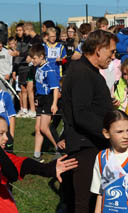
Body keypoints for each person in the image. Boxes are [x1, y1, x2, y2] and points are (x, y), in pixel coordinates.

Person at [0, 112, 78, 213]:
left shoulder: (0, 156)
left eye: (6, 133)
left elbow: (22, 163)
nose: (6, 138)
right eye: (1, 133)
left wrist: (48, 169)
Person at [62, 30, 118, 212]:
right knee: (84, 202)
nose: (113, 56)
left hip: (91, 144)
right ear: (98, 49)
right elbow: (82, 114)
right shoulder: (82, 72)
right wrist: (109, 133)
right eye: (111, 51)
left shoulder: (88, 70)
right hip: (85, 147)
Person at [90, 110, 128, 212]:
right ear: (106, 133)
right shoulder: (101, 157)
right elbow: (100, 193)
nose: (126, 136)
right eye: (120, 132)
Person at [29, 44, 60, 162]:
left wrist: (54, 104)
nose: (33, 61)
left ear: (41, 57)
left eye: (34, 58)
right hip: (41, 99)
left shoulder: (49, 69)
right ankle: (37, 155)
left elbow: (55, 88)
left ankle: (59, 148)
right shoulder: (37, 67)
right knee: (37, 128)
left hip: (48, 99)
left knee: (43, 128)